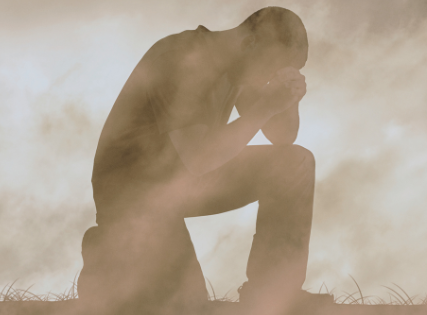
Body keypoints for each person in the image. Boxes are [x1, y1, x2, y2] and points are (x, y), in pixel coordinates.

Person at [77, 6, 324, 314]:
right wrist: (266, 105)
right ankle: (109, 250)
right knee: (185, 304)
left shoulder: (240, 67)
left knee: (293, 162)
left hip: (179, 181)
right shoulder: (181, 57)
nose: (267, 79)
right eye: (270, 68)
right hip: (132, 192)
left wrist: (287, 99)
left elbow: (283, 138)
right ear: (250, 43)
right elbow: (200, 157)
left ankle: (276, 292)